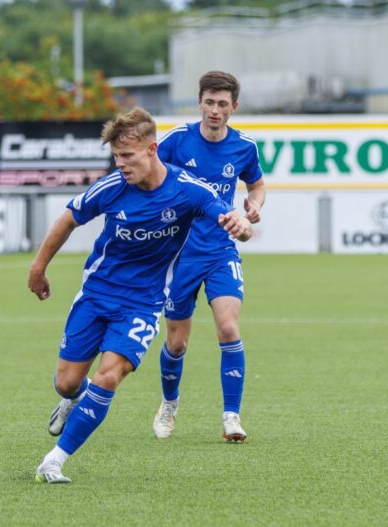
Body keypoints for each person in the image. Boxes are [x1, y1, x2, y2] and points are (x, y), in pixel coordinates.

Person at [29, 107, 252, 483]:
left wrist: (241, 226)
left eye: (127, 157)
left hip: (143, 304)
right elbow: (69, 218)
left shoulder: (188, 190)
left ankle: (54, 460)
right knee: (66, 382)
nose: (121, 165)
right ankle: (71, 398)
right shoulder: (112, 188)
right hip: (97, 293)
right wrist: (38, 268)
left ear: (152, 150)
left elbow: (224, 215)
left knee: (109, 375)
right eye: (116, 157)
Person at [150, 70, 267, 443]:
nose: (215, 110)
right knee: (177, 343)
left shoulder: (244, 147)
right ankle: (169, 404)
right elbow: (149, 177)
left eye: (222, 104)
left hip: (220, 249)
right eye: (209, 102)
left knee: (229, 328)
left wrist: (254, 204)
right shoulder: (176, 142)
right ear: (199, 102)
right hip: (179, 254)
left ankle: (232, 416)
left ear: (234, 107)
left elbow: (257, 183)